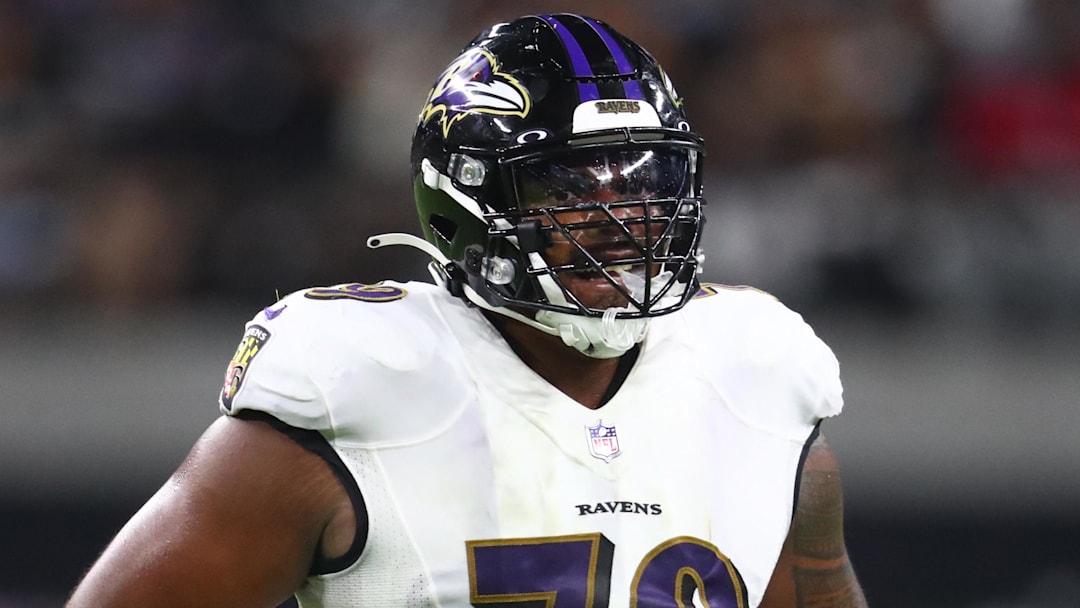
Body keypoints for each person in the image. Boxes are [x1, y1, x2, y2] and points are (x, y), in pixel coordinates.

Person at [67, 13, 867, 608]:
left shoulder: (756, 376)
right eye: (569, 185)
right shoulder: (357, 390)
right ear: (465, 204)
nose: (622, 219)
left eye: (646, 180)